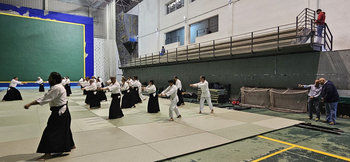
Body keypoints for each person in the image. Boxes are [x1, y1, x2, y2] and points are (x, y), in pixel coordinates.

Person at [24, 72, 75, 161]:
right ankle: (71, 144)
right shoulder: (58, 86)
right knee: (65, 127)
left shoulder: (56, 88)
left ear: (54, 79)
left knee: (50, 131)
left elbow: (44, 99)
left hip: (59, 111)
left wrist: (30, 104)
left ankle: (47, 153)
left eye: (50, 78)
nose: (48, 80)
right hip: (64, 110)